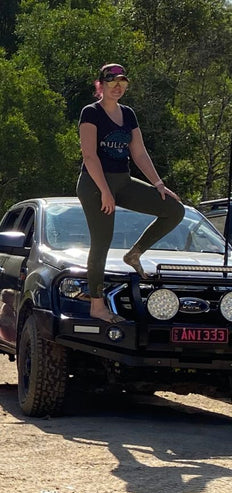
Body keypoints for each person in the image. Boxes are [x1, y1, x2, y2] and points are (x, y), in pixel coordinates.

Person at [77, 63, 184, 323]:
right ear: (100, 85)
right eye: (112, 82)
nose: (117, 87)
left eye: (122, 83)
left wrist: (159, 184)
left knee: (174, 210)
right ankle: (97, 305)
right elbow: (89, 156)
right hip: (94, 184)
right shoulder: (91, 113)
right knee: (102, 241)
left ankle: (134, 254)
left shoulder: (129, 114)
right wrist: (105, 191)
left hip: (123, 181)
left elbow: (139, 153)